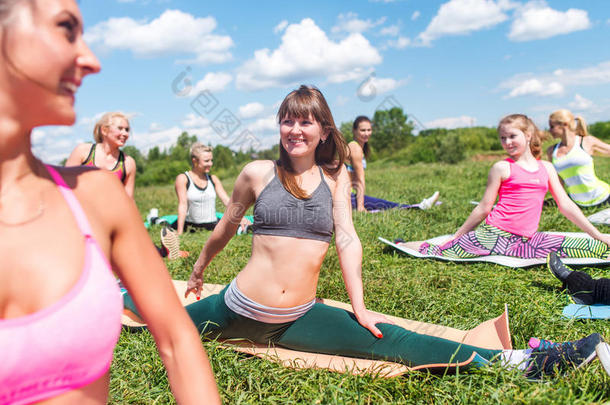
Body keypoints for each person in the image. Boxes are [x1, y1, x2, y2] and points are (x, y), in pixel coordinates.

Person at [122, 86, 608, 380]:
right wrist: (201, 268)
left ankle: (523, 362)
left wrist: (356, 305)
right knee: (159, 311)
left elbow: (348, 239)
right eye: (287, 119)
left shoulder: (335, 179)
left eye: (306, 120)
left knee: (390, 338)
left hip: (297, 315)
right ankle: (111, 292)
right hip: (237, 308)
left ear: (322, 128)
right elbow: (226, 226)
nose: (295, 128)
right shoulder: (256, 172)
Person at [0, 1, 220, 404]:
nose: (92, 60)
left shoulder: (101, 191)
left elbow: (176, 338)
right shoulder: (84, 153)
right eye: (66, 29)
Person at [400, 114, 610, 260]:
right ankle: (401, 244)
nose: (507, 142)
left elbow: (566, 205)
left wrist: (598, 235)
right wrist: (457, 236)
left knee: (592, 247)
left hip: (527, 240)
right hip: (494, 236)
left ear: (528, 135)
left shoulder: (546, 168)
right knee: (437, 249)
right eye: (503, 138)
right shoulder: (501, 168)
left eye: (512, 136)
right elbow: (484, 207)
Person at [347, 115, 439, 212]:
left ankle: (415, 207)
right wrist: (360, 206)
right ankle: (416, 207)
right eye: (363, 130)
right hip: (348, 196)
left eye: (369, 130)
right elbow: (360, 179)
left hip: (351, 195)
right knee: (382, 204)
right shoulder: (355, 148)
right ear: (354, 130)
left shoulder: (357, 147)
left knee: (379, 203)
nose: (366, 133)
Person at [173, 142, 251, 235]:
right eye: (206, 161)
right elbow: (183, 205)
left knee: (243, 226)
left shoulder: (213, 179)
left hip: (213, 225)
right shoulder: (183, 178)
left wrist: (240, 217)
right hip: (191, 226)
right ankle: (155, 219)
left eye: (211, 160)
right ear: (194, 160)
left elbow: (227, 200)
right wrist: (180, 232)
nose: (210, 164)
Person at [547, 109, 610, 207]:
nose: (549, 130)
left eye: (552, 127)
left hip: (604, 198)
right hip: (578, 204)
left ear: (565, 124)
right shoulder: (551, 151)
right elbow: (558, 182)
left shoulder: (586, 142)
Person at [65, 111, 136, 198]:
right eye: (120, 128)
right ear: (104, 130)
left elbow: (129, 201)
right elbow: (64, 186)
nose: (125, 133)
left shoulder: (128, 163)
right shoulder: (83, 151)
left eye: (127, 130)